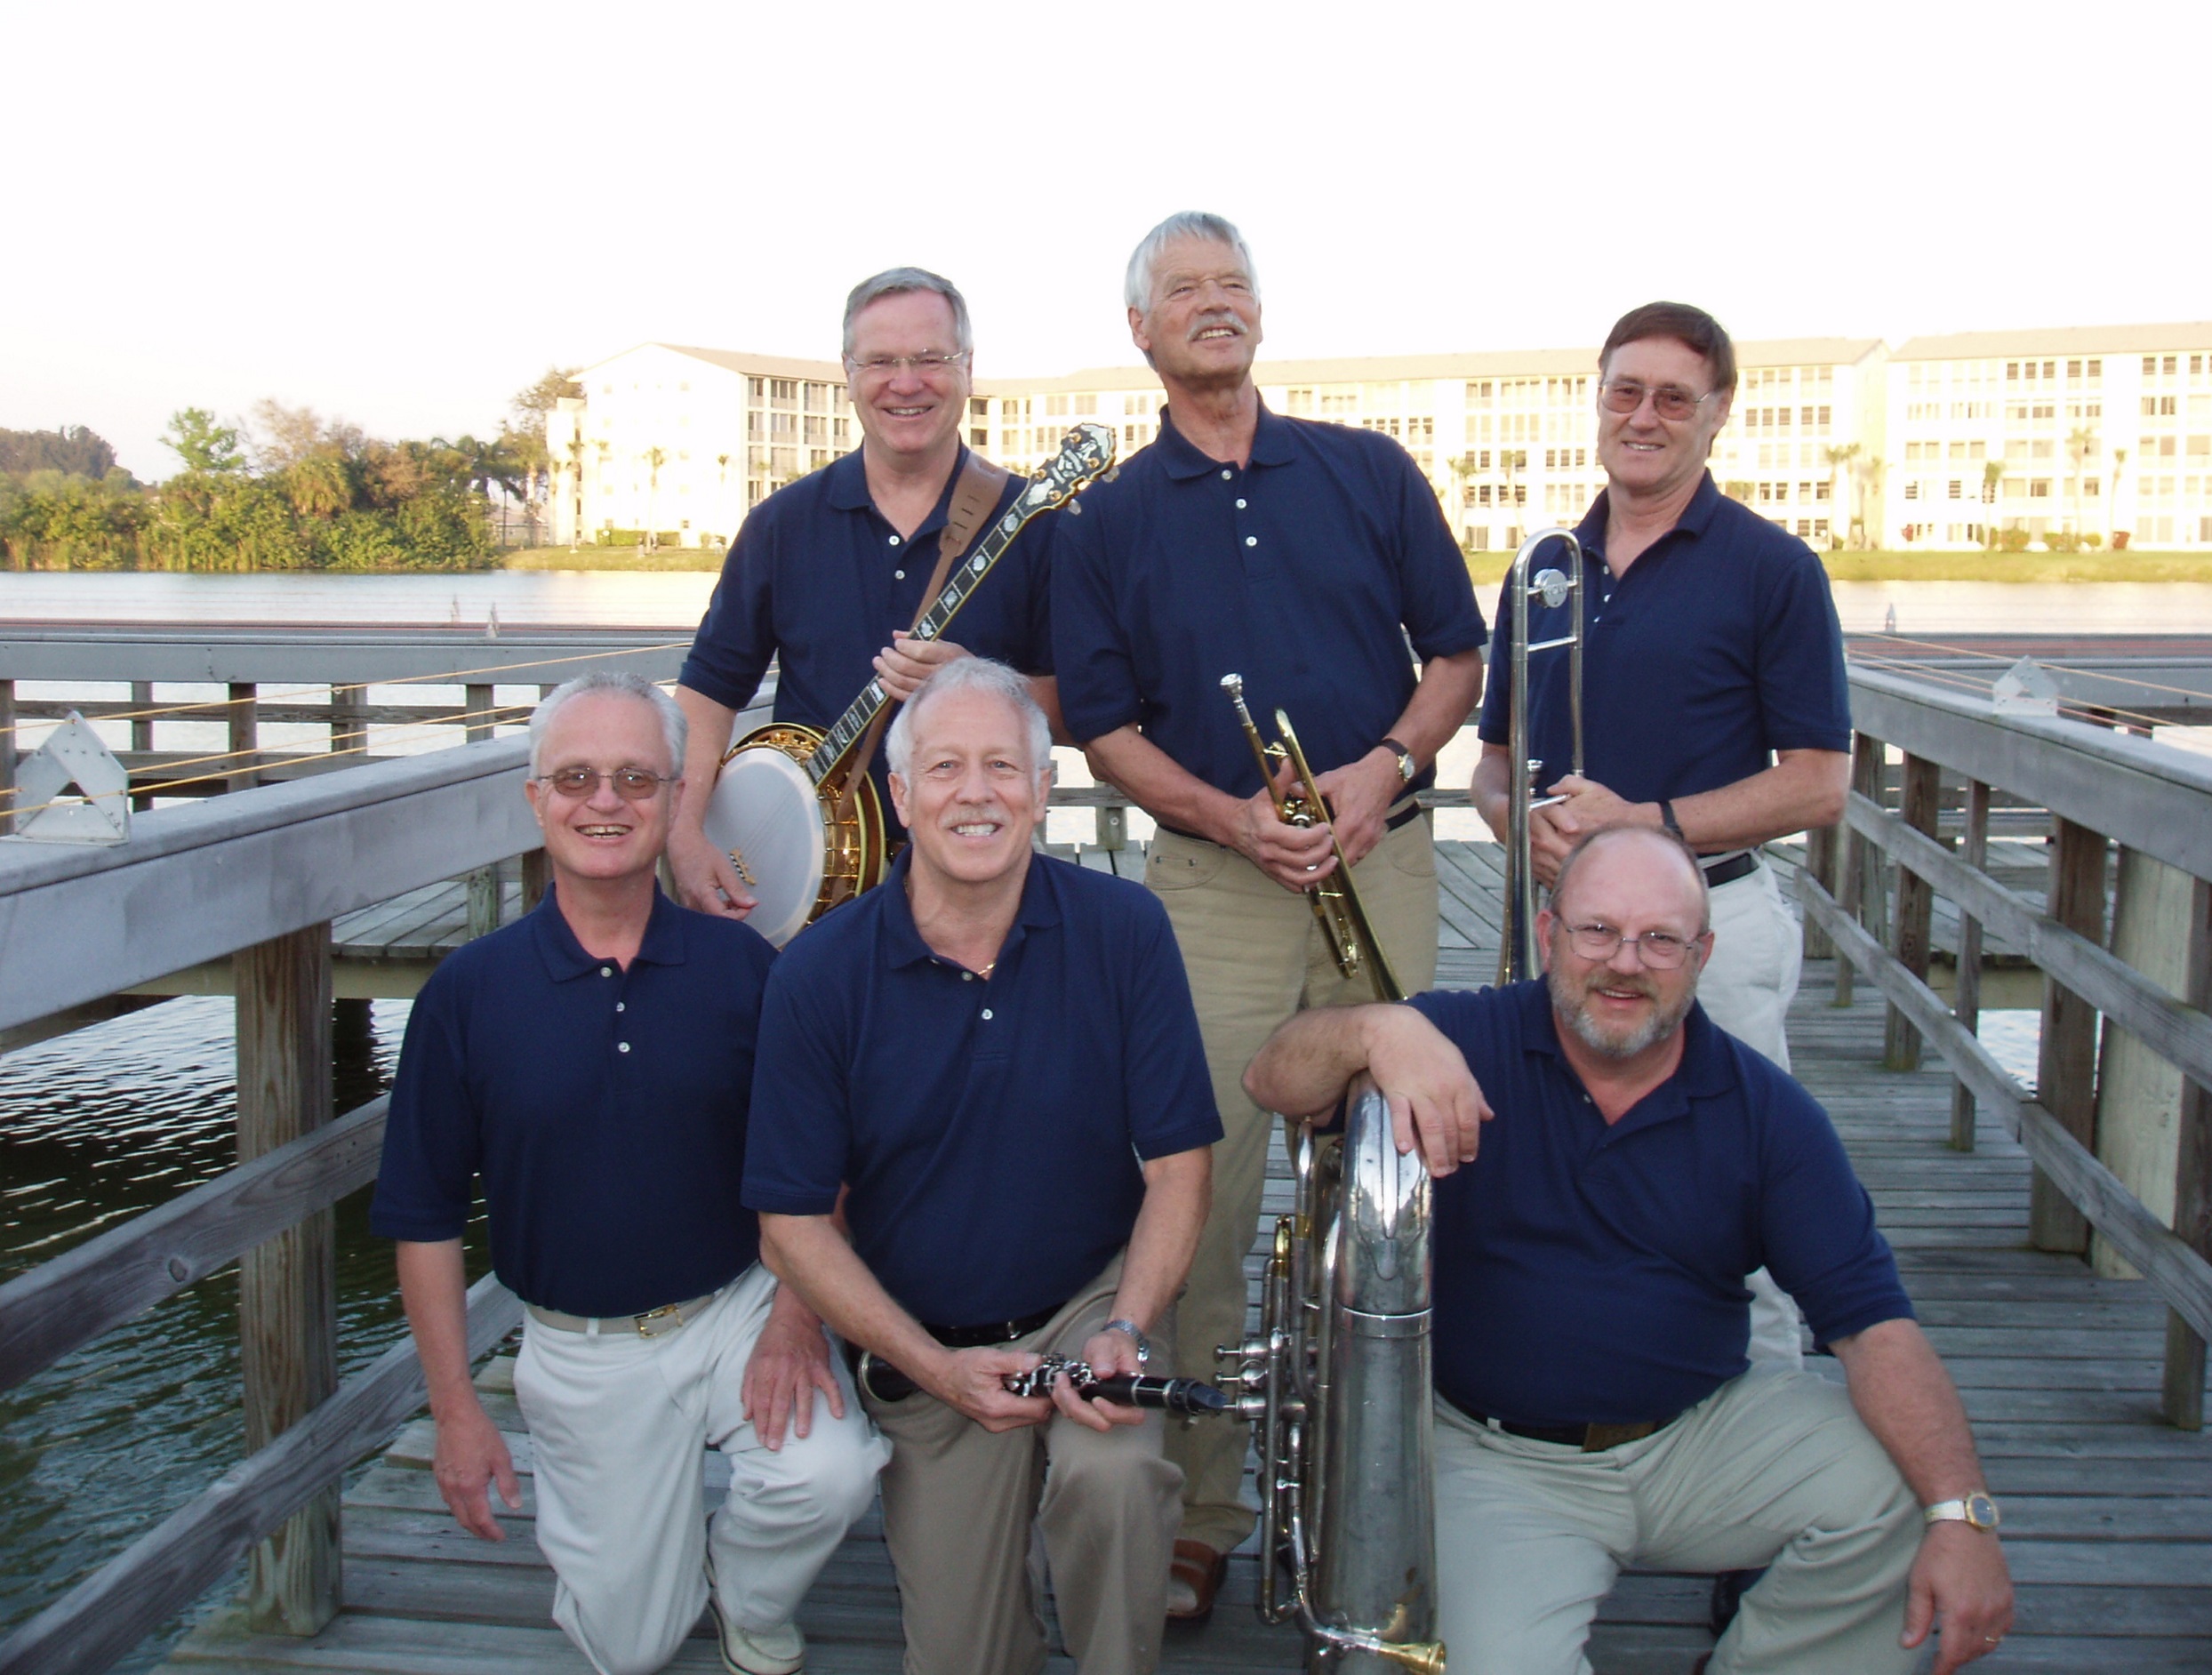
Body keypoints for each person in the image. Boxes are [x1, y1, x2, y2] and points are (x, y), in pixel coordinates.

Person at [1243, 826, 2015, 1675]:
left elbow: (1874, 1329)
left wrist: (1964, 1515)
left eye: (1660, 940)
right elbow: (1272, 1078)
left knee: (1913, 1493)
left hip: (1699, 1434)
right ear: (1548, 935)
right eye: (1597, 931)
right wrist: (1376, 1034)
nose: (1625, 962)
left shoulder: (1769, 1113)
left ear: (1702, 953)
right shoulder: (1461, 1039)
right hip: (1502, 1460)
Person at [1050, 209, 1487, 1615]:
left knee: (1405, 1172)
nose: (1213, 306)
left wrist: (1383, 769)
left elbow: (1458, 661)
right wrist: (1229, 816)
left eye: (1232, 285)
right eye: (1183, 291)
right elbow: (1105, 731)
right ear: (1143, 333)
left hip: (1387, 853)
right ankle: (1206, 1503)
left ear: (1259, 315)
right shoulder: (1104, 520)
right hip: (1217, 882)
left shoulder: (1368, 471)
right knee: (1206, 1182)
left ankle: (1420, 1471)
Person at [369, 672, 886, 1675]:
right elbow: (424, 1215)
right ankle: (649, 1572)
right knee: (629, 1646)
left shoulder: (747, 971)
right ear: (536, 799)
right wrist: (458, 1413)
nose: (604, 801)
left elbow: (822, 1158)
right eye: (576, 777)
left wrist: (793, 1319)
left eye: (636, 780)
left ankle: (748, 1593)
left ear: (675, 797)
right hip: (582, 1348)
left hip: (738, 1304)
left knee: (827, 1476)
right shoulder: (467, 996)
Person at [744, 655, 1221, 1675]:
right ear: (901, 796)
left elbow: (1180, 1165)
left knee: (1117, 1483)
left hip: (1087, 1303)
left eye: (1004, 766)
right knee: (965, 1657)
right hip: (926, 1340)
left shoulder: (1126, 931)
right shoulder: (819, 974)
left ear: (1044, 791)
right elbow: (789, 1225)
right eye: (946, 767)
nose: (977, 793)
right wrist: (933, 1369)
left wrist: (1128, 1326)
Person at [1472, 301, 1852, 1376]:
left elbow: (1819, 785)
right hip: (1568, 936)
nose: (1644, 417)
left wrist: (1639, 829)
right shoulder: (1540, 566)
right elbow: (1494, 767)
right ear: (1597, 402)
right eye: (1624, 392)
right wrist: (1525, 834)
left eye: (1672, 398)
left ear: (1716, 415)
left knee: (1750, 1194)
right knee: (1557, 1179)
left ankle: (1766, 1468)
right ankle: (1580, 1416)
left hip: (1709, 926)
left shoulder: (1773, 570)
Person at [669, 266, 1061, 919]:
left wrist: (983, 682)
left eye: (930, 358)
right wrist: (682, 835)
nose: (905, 383)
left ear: (968, 368)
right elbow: (708, 694)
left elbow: (1082, 715)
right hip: (802, 895)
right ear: (848, 372)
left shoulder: (1034, 523)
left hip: (984, 889)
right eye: (880, 361)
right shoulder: (781, 525)